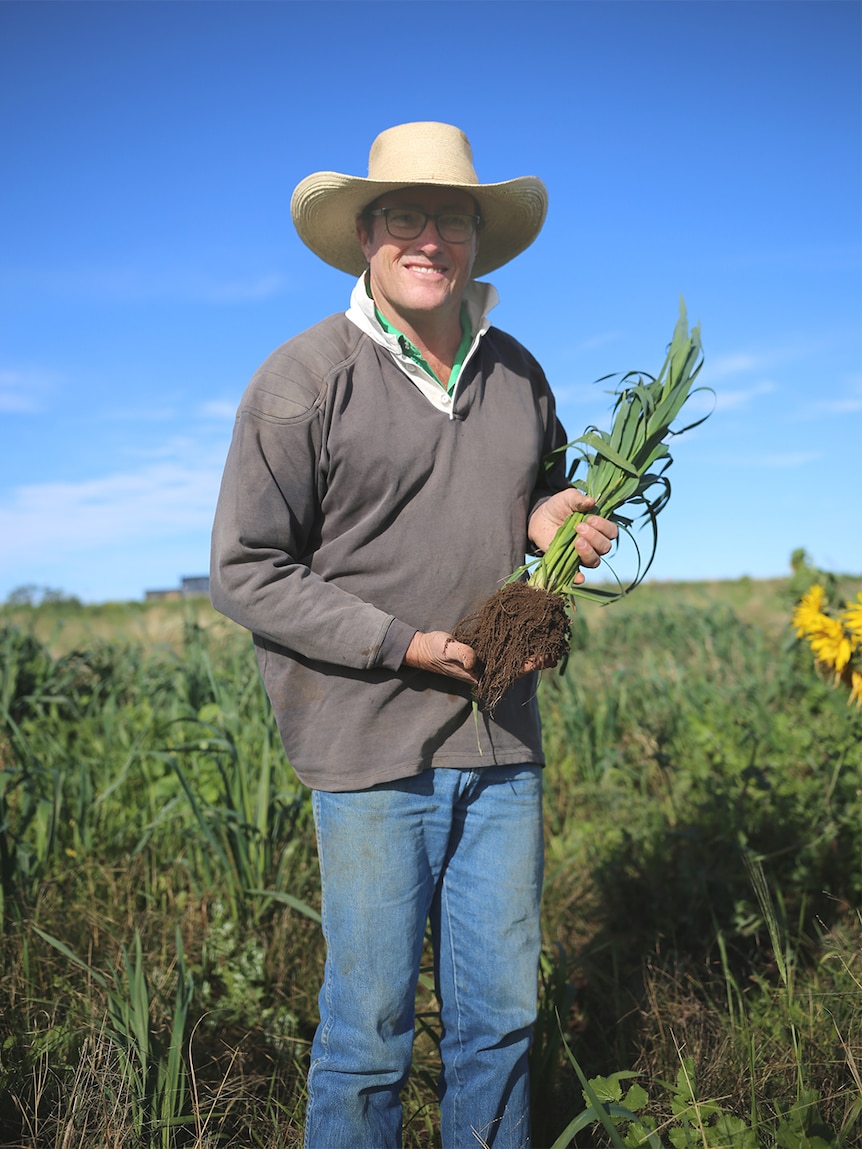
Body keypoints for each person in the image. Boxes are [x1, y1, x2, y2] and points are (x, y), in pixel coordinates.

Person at [210, 121, 617, 1149]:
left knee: (502, 1023)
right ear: (365, 236)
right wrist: (400, 644)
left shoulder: (517, 373)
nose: (429, 237)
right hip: (367, 750)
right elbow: (246, 569)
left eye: (453, 219)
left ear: (478, 240)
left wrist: (548, 519)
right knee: (370, 1033)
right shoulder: (303, 377)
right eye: (406, 216)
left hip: (503, 740)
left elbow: (535, 492)